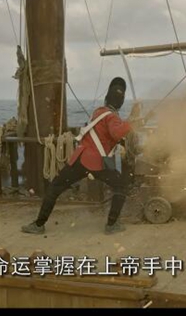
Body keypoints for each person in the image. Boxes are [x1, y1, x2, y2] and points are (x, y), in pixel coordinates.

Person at [22, 77, 142, 235]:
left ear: (107, 97)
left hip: (80, 159)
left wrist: (131, 119)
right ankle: (112, 225)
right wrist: (133, 121)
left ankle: (38, 225)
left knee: (55, 187)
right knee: (121, 186)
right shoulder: (112, 117)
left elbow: (109, 133)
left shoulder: (99, 112)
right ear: (121, 101)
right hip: (97, 164)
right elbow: (116, 133)